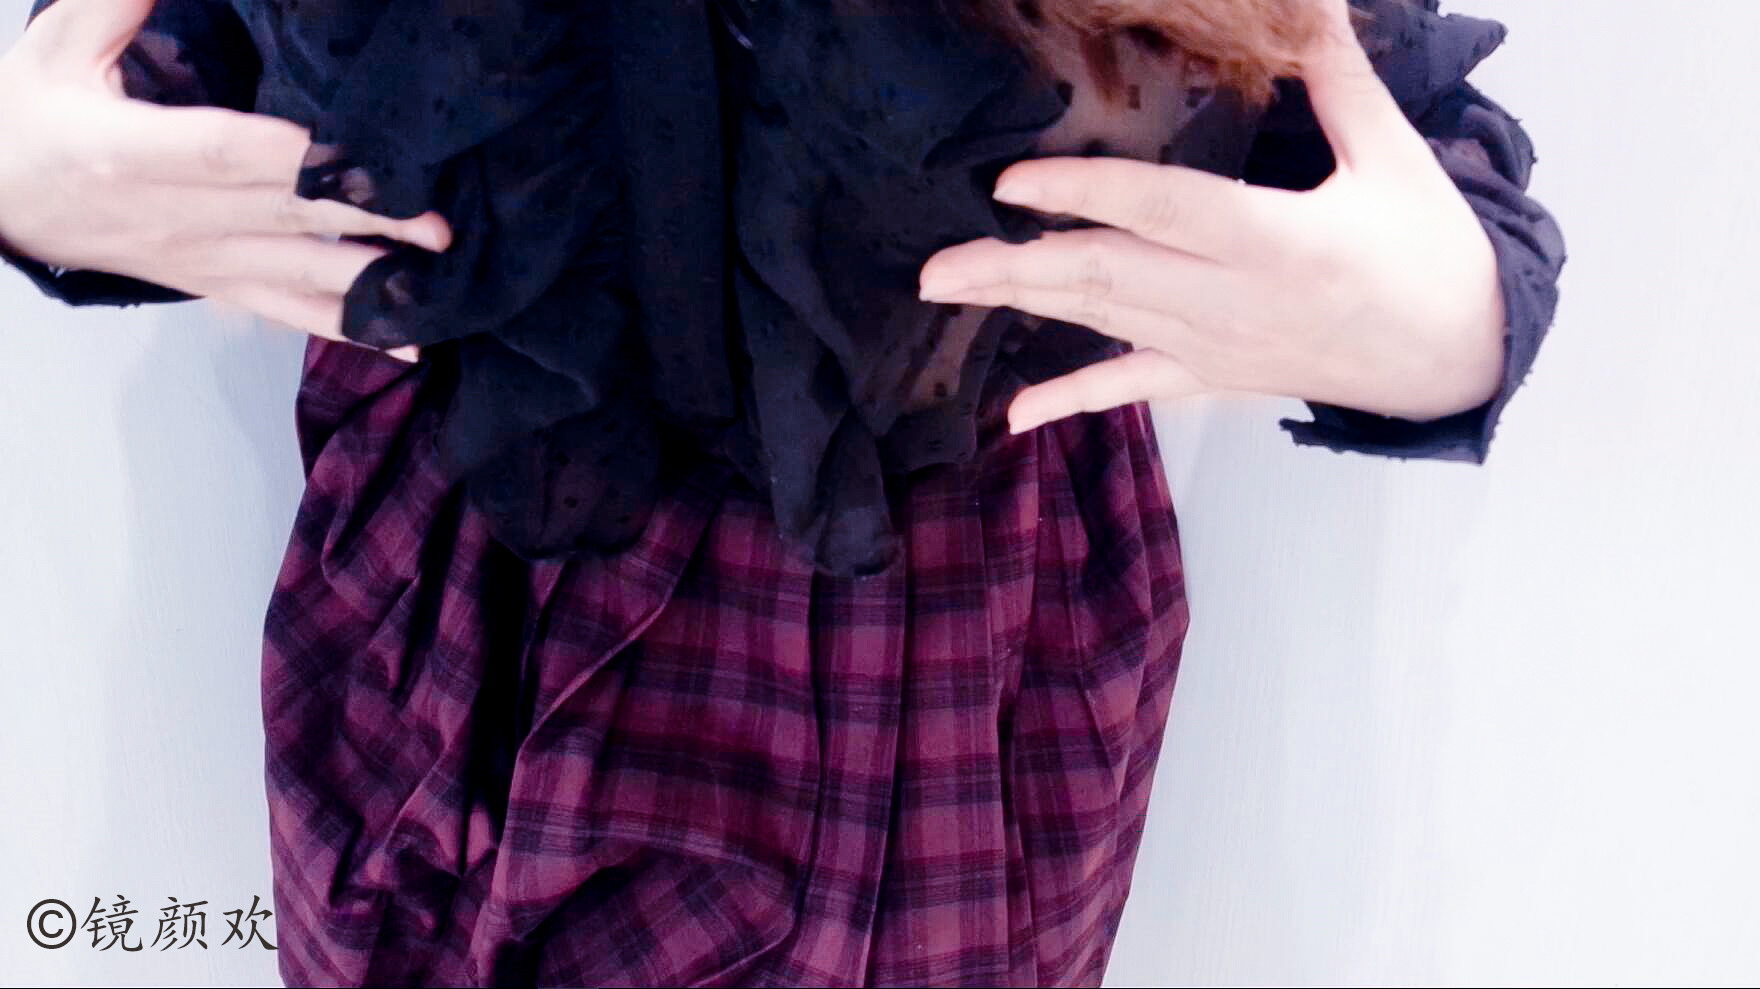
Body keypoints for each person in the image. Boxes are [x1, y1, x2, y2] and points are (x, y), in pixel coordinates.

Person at [0, 0, 1565, 984]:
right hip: (456, 629)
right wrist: (31, 173)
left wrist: (1445, 326)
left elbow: (1397, 154)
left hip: (948, 685)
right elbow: (159, 73)